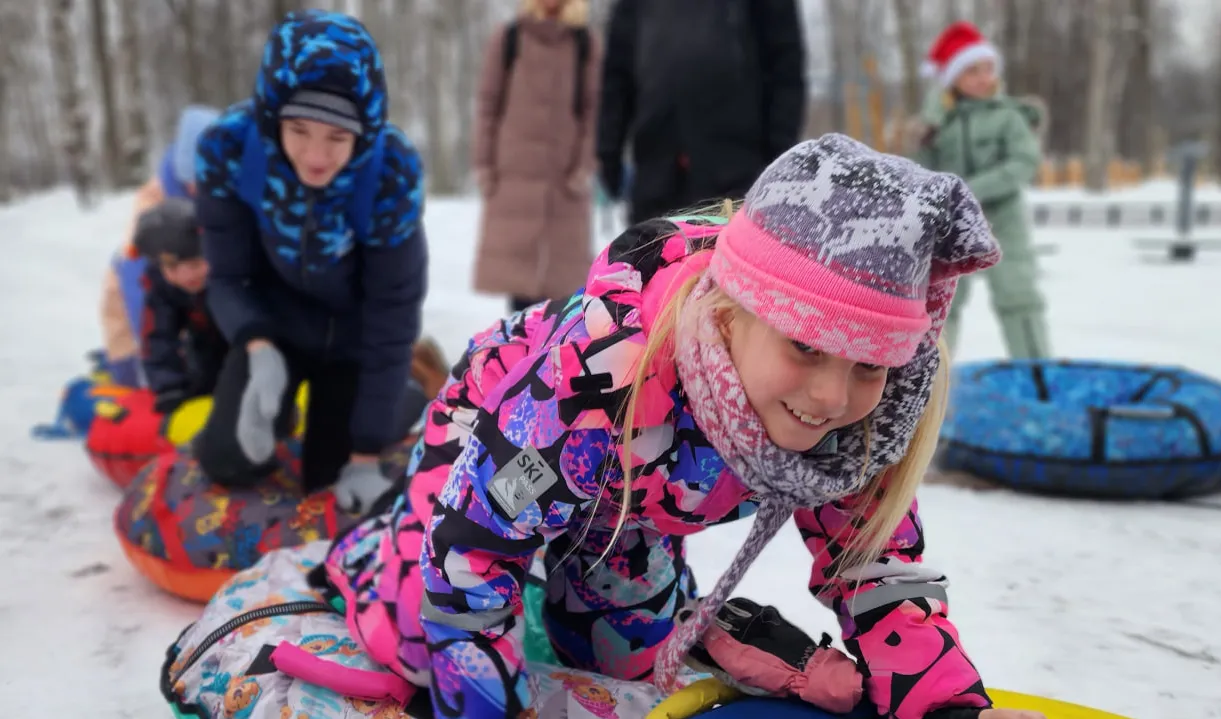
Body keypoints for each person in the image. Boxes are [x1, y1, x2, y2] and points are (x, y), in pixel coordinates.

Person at [323, 134, 1047, 719]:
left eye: (869, 366)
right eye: (804, 346)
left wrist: (953, 711)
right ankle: (370, 557)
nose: (832, 395)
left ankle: (710, 625)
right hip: (496, 433)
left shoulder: (870, 412)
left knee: (623, 662)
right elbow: (474, 543)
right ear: (730, 314)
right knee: (423, 641)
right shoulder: (595, 380)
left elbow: (875, 562)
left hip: (634, 510)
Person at [193, 9, 428, 511]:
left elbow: (393, 312)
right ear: (272, 116)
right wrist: (256, 346)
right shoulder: (229, 149)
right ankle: (276, 384)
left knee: (326, 481)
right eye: (299, 130)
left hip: (354, 338)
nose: (316, 155)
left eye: (337, 137)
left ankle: (406, 398)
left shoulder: (390, 173)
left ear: (361, 133)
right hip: (275, 325)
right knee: (229, 459)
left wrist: (366, 452)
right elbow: (227, 276)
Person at [595, 0, 806, 225]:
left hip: (737, 177)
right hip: (656, 174)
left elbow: (786, 69)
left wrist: (779, 160)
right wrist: (609, 154)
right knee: (656, 254)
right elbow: (616, 77)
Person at [915, 21, 1050, 359]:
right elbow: (920, 171)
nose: (984, 77)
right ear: (953, 79)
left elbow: (1023, 162)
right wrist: (924, 133)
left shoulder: (1008, 116)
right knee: (941, 301)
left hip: (1002, 220)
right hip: (952, 224)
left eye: (988, 68)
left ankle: (1036, 373)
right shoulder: (939, 122)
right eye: (972, 70)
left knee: (1018, 296)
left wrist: (970, 189)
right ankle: (931, 378)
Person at [471, 0, 601, 314]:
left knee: (562, 296)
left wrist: (583, 166)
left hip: (565, 186)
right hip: (514, 179)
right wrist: (484, 166)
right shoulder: (509, 37)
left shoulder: (585, 43)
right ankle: (518, 359)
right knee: (520, 295)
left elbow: (593, 110)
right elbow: (488, 105)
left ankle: (551, 360)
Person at [100, 104, 221, 387]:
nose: (197, 190)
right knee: (128, 297)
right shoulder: (155, 204)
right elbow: (136, 271)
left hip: (201, 283)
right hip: (155, 283)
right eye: (191, 183)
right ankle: (128, 369)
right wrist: (151, 349)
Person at [133, 198, 228, 415]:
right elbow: (157, 338)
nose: (186, 276)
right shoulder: (162, 288)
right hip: (205, 349)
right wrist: (169, 386)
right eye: (172, 267)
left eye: (195, 263)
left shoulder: (231, 275)